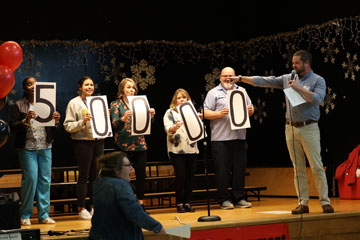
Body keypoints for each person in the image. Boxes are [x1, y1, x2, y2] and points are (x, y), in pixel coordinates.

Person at [238, 50, 334, 214]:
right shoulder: (288, 78)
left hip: (309, 127)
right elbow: (265, 81)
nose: (293, 66)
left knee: (316, 166)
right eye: (293, 63)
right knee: (298, 168)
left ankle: (325, 202)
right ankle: (303, 203)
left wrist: (299, 88)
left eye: (296, 63)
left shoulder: (318, 80)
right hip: (290, 128)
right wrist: (241, 78)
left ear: (306, 63)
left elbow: (318, 99)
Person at [10, 77, 60, 226]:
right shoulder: (18, 105)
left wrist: (56, 121)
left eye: (35, 83)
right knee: (31, 179)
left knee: (45, 180)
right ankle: (25, 214)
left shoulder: (46, 102)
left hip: (45, 145)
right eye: (29, 84)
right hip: (27, 147)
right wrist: (25, 121)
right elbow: (12, 126)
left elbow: (52, 126)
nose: (33, 86)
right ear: (25, 88)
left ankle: (44, 215)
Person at [203, 67, 254, 210]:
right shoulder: (213, 93)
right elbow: (206, 112)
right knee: (222, 170)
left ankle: (239, 197)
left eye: (230, 76)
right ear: (220, 78)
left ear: (235, 77)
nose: (228, 78)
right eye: (225, 76)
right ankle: (224, 199)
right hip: (220, 138)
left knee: (239, 169)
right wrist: (219, 114)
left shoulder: (242, 91)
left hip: (239, 137)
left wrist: (251, 111)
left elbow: (251, 108)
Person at [89, 151, 166, 239]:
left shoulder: (99, 182)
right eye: (128, 165)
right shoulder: (120, 185)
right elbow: (135, 212)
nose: (132, 168)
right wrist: (156, 226)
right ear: (117, 169)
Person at [110, 78, 155, 210]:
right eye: (128, 87)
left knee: (141, 175)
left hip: (139, 144)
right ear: (122, 90)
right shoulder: (116, 104)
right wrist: (122, 119)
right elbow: (115, 125)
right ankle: (125, 204)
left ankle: (140, 204)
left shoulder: (140, 103)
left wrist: (151, 117)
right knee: (123, 177)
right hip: (122, 146)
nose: (131, 90)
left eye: (133, 88)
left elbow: (146, 125)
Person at [63, 76, 104, 220]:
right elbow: (67, 126)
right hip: (82, 142)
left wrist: (105, 116)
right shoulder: (74, 103)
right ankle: (81, 208)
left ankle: (93, 206)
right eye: (86, 85)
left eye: (92, 85)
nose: (90, 87)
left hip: (98, 141)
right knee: (83, 176)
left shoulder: (98, 102)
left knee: (96, 176)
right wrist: (83, 121)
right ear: (80, 87)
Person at [163, 88, 200, 213]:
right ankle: (179, 203)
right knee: (181, 176)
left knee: (190, 177)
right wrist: (175, 126)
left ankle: (187, 202)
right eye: (179, 98)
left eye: (184, 97)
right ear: (175, 100)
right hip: (177, 150)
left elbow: (198, 129)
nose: (182, 99)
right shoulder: (170, 112)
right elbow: (168, 129)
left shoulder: (192, 112)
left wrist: (199, 120)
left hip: (191, 148)